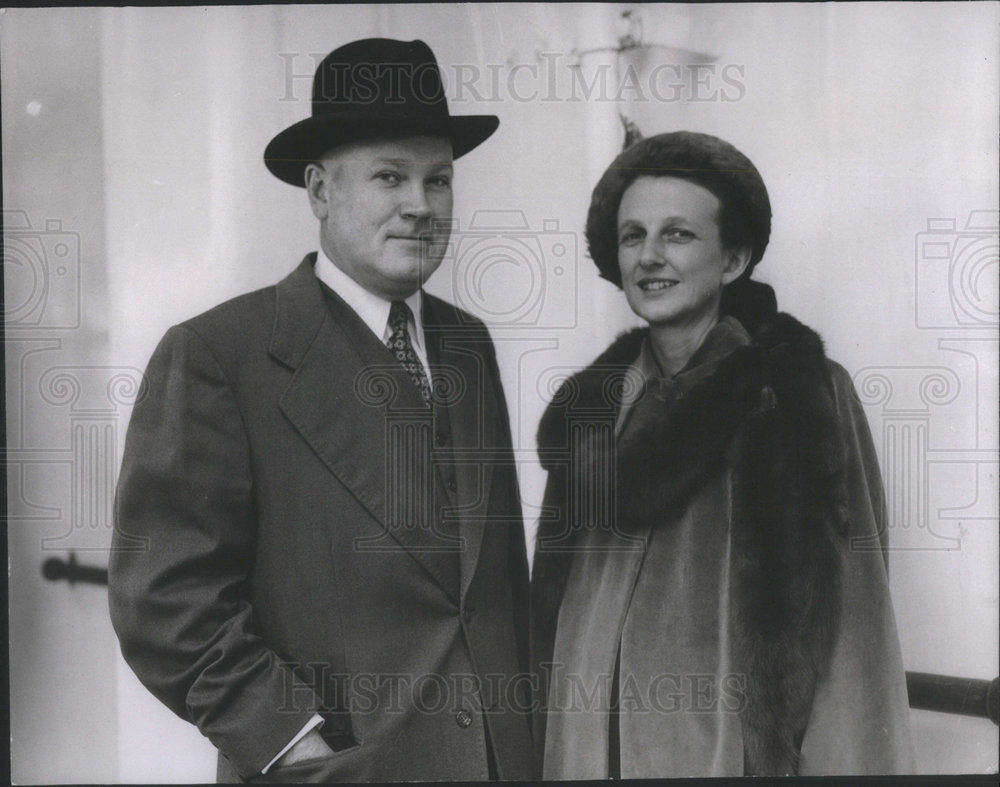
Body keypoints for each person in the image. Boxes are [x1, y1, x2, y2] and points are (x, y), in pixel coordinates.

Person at [109, 38, 532, 783]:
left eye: (439, 179)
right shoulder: (216, 355)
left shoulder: (469, 344)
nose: (420, 206)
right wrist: (295, 745)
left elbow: (489, 584)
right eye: (390, 177)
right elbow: (165, 601)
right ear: (318, 191)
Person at [530, 131, 914, 778]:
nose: (650, 256)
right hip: (585, 757)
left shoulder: (795, 396)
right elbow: (550, 619)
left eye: (678, 234)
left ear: (733, 259)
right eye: (633, 235)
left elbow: (855, 637)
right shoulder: (591, 414)